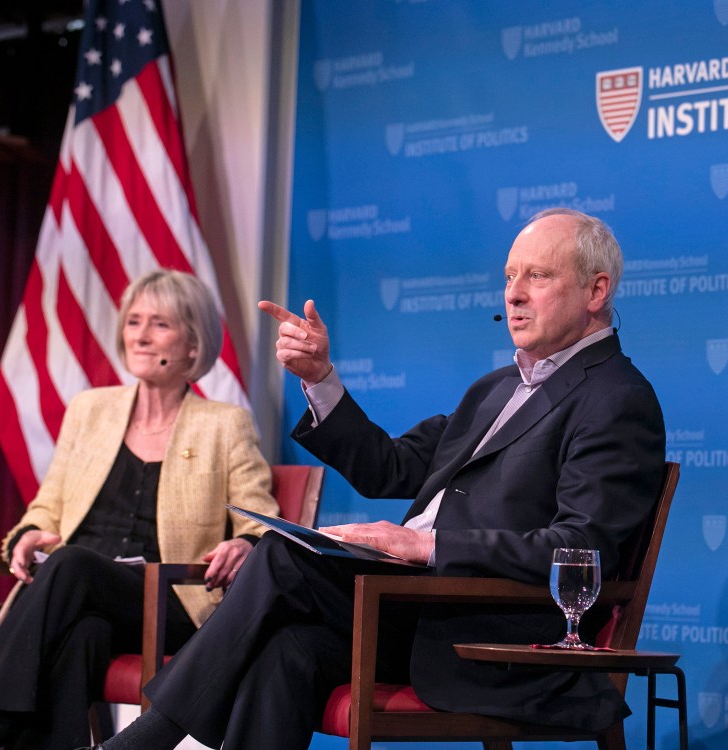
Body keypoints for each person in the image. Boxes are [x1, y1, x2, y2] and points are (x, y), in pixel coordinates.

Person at [85, 208, 665, 750]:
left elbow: (580, 549)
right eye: (510, 275)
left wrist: (426, 545)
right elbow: (386, 467)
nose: (513, 293)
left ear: (596, 291)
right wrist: (321, 379)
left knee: (282, 559)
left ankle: (146, 738)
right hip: (412, 611)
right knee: (288, 650)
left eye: (537, 276)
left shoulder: (615, 399)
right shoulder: (494, 390)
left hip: (493, 631)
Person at [0, 269, 280, 750]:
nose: (139, 335)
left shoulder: (223, 425)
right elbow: (47, 506)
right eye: (133, 321)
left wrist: (244, 542)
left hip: (168, 602)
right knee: (82, 638)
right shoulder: (89, 410)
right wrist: (28, 534)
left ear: (194, 344)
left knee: (71, 562)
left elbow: (259, 523)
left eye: (159, 324)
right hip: (81, 599)